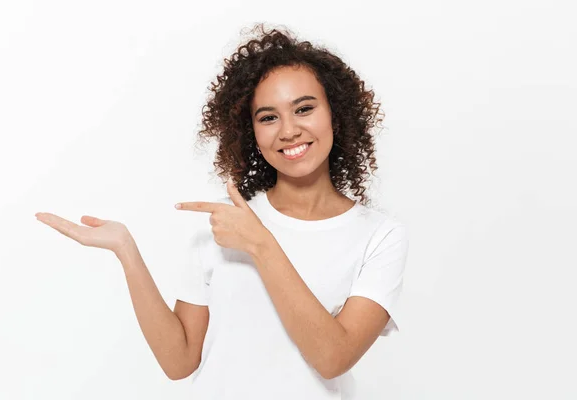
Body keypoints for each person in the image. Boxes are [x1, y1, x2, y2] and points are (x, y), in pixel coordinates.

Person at [35, 24, 409, 400]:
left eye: (304, 109)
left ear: (336, 115)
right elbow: (179, 362)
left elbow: (333, 357)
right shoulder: (223, 227)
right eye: (268, 117)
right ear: (251, 133)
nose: (289, 130)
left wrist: (261, 245)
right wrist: (126, 251)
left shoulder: (379, 237)